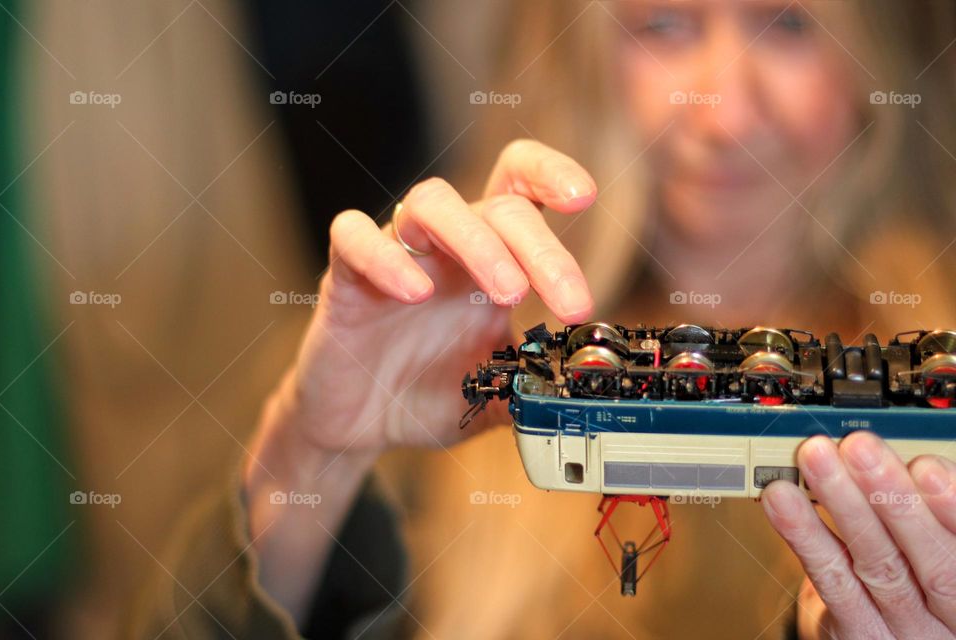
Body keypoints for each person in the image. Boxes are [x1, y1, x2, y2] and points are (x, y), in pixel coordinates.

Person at [130, 1, 956, 638]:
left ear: (864, 58)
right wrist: (315, 450)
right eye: (663, 26)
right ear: (585, 60)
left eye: (786, 24)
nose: (725, 113)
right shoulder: (441, 345)